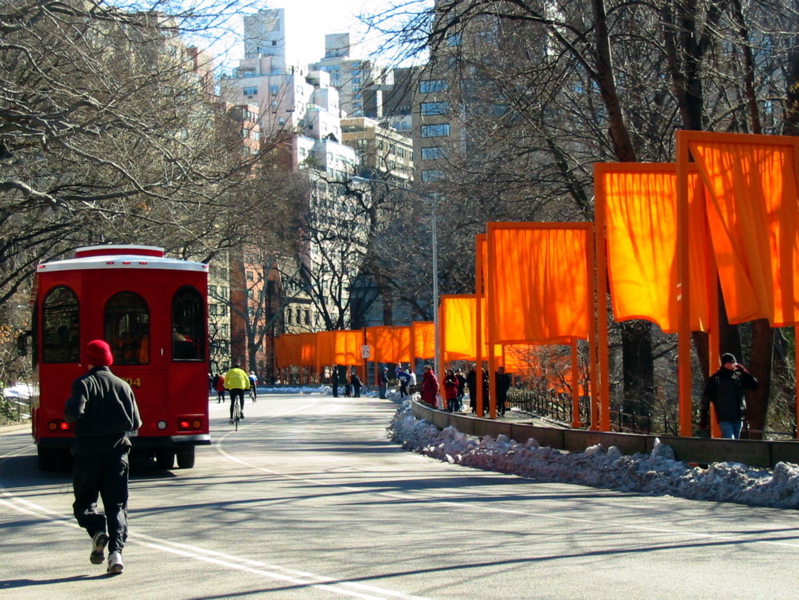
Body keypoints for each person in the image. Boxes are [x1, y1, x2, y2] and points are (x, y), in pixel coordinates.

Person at [64, 339, 142, 576]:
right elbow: (136, 422)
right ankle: (116, 554)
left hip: (87, 453)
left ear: (88, 359)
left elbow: (73, 414)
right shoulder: (122, 385)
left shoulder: (82, 384)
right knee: (116, 505)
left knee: (84, 502)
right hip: (117, 453)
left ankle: (97, 531)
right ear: (109, 359)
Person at [700, 353, 758, 439]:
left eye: (734, 362)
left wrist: (744, 372)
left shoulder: (738, 376)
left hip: (738, 416)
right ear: (725, 363)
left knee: (735, 442)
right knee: (730, 440)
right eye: (731, 362)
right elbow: (707, 397)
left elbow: (754, 385)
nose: (734, 364)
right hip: (724, 417)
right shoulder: (716, 378)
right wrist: (704, 415)